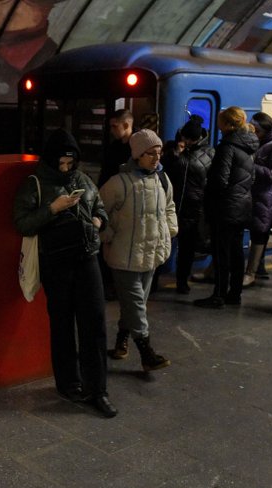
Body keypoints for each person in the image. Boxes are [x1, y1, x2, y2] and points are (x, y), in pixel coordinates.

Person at [13, 129, 116, 418]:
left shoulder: (82, 179)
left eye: (71, 162)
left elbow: (99, 207)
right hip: (55, 262)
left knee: (94, 323)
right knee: (62, 323)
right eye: (61, 162)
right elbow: (22, 223)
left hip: (87, 258)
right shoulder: (34, 184)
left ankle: (99, 390)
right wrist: (52, 208)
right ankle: (68, 383)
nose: (66, 167)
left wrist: (98, 221)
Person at [99, 129, 177, 374]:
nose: (156, 158)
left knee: (135, 304)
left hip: (152, 253)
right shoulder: (118, 184)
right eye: (150, 153)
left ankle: (121, 342)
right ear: (137, 155)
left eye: (158, 152)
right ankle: (147, 353)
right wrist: (108, 236)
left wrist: (170, 229)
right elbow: (98, 213)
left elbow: (170, 207)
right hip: (125, 256)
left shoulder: (162, 180)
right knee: (136, 306)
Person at [194, 107, 258, 309]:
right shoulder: (248, 147)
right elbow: (251, 178)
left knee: (221, 253)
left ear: (229, 125)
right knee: (237, 252)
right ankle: (234, 293)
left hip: (225, 208)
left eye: (221, 121)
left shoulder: (227, 147)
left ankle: (218, 295)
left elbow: (219, 181)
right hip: (242, 205)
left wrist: (209, 198)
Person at [168, 116, 215, 294]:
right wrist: (175, 154)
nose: (185, 142)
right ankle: (155, 279)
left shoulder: (209, 153)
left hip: (193, 208)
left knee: (186, 249)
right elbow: (166, 171)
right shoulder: (172, 149)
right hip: (172, 206)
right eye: (184, 138)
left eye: (189, 139)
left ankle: (182, 281)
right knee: (163, 245)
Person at [244, 112, 272, 287]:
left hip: (264, 196)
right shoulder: (260, 142)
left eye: (256, 131)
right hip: (250, 194)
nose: (253, 134)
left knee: (259, 233)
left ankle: (251, 273)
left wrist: (250, 166)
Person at [98, 109, 136, 187]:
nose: (111, 130)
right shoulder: (113, 147)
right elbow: (105, 172)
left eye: (115, 126)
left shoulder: (139, 145)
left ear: (126, 125)